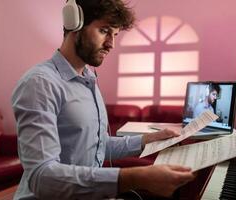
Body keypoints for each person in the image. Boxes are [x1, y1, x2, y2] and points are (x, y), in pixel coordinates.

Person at [11, 0, 195, 199]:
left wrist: (147, 141)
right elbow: (42, 177)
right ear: (75, 24)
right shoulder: (40, 84)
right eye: (104, 30)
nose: (111, 44)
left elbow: (96, 145)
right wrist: (136, 177)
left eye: (114, 35)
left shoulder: (89, 80)